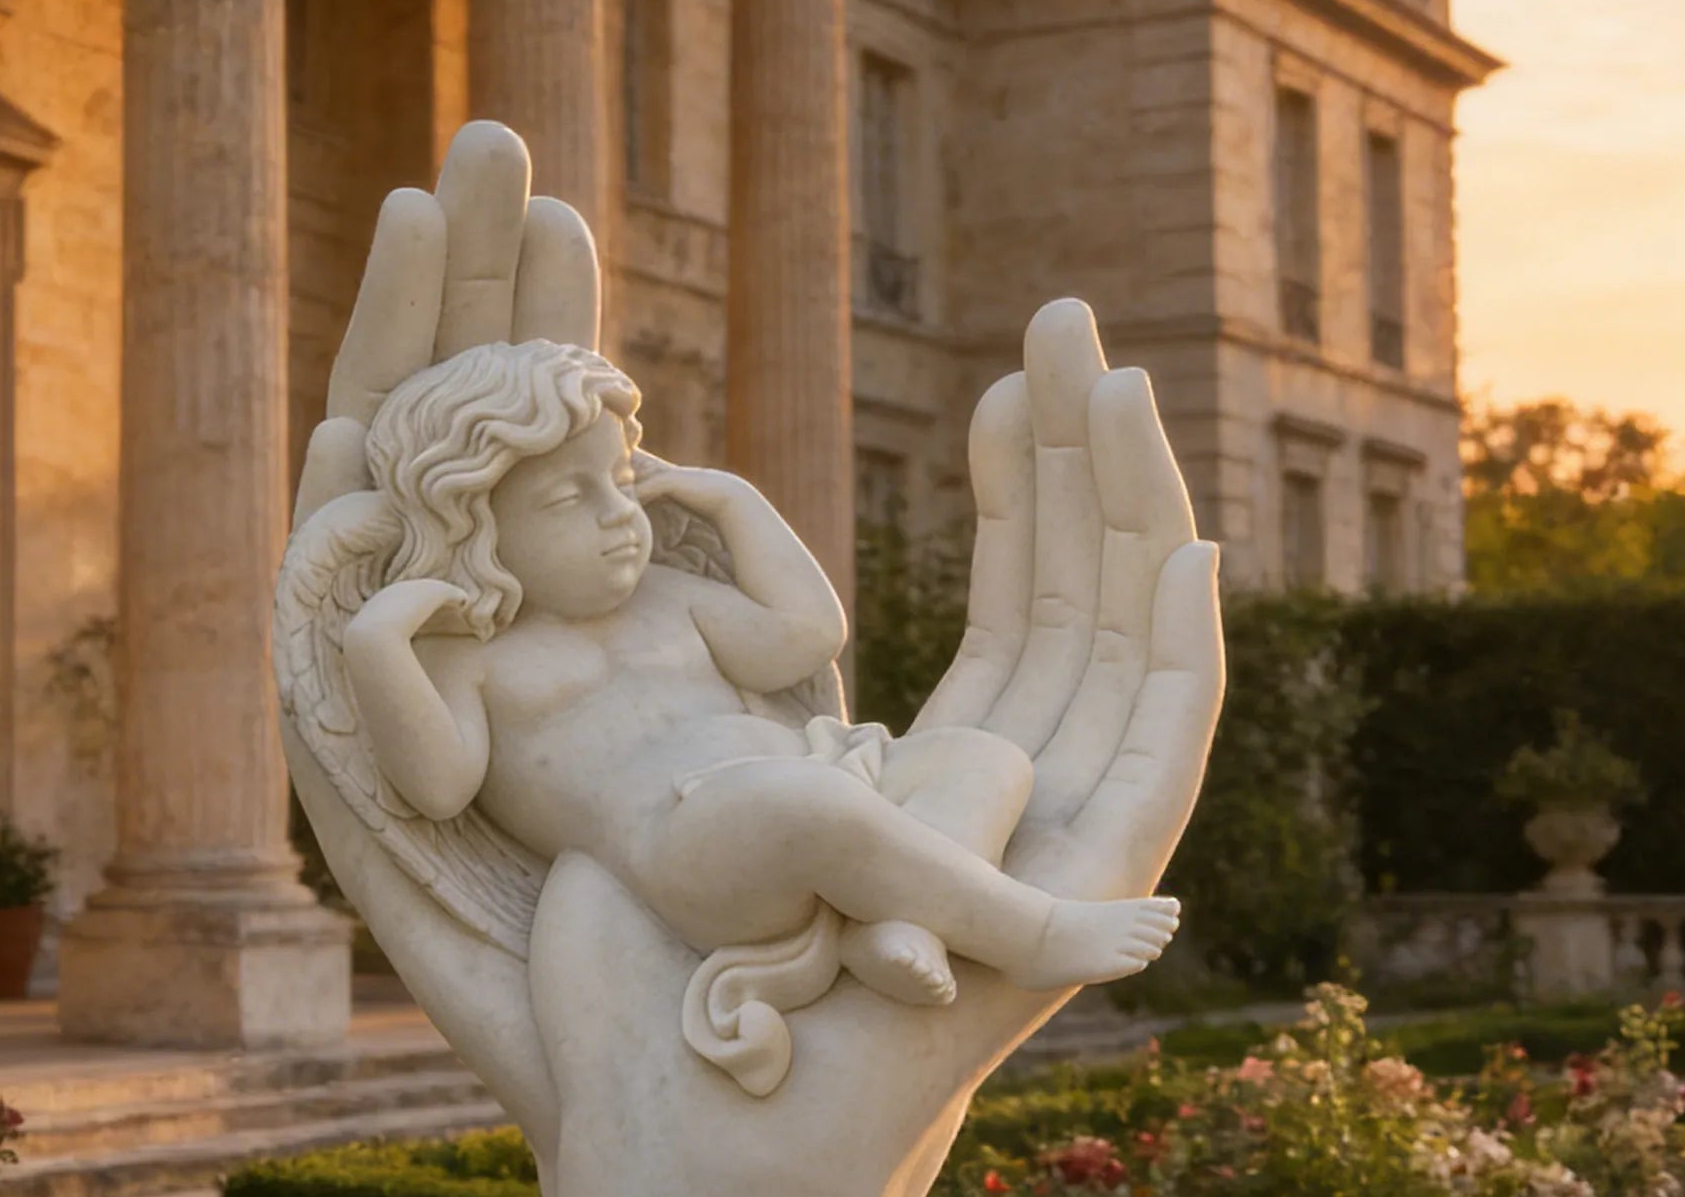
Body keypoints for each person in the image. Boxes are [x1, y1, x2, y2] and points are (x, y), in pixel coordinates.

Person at [303, 336, 1178, 1004]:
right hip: (689, 854)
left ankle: (904, 919)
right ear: (473, 523)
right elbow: (438, 790)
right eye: (572, 497)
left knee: (986, 758)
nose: (620, 514)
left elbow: (805, 637)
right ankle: (1031, 933)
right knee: (798, 803)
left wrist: (734, 500)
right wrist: (377, 648)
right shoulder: (471, 657)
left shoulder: (670, 597)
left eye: (620, 479)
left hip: (819, 779)